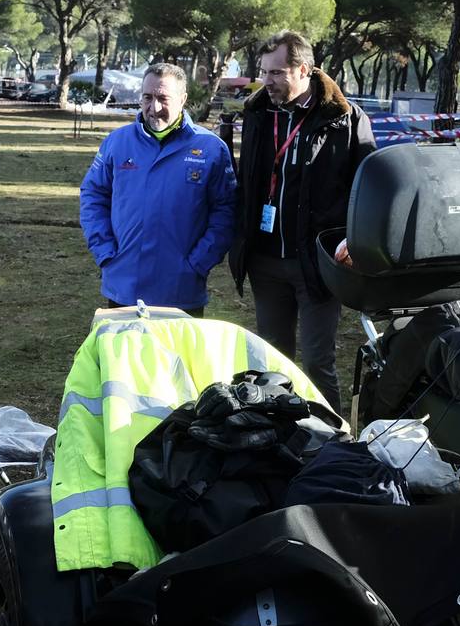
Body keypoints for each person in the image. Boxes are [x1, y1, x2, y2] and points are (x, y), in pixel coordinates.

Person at [228, 31, 375, 412]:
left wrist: (351, 241)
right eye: (264, 72)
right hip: (264, 261)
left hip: (316, 262)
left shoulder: (346, 118)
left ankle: (332, 441)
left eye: (276, 73)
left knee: (316, 361)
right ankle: (277, 437)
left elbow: (366, 186)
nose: (268, 82)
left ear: (304, 70)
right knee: (272, 360)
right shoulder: (258, 112)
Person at [78, 63, 236, 317]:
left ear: (183, 99)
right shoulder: (117, 142)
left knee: (177, 358)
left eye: (163, 98)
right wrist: (105, 252)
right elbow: (93, 196)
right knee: (125, 357)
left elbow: (225, 212)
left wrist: (198, 263)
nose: (155, 108)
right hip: (124, 284)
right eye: (147, 98)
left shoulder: (210, 148)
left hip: (181, 289)